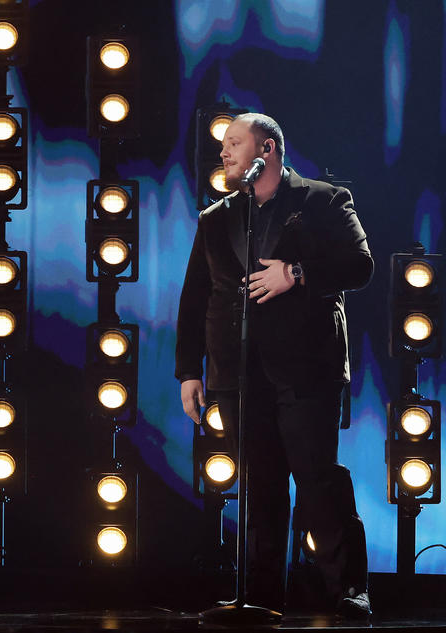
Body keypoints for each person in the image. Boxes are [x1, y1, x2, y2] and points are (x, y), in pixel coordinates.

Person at [175, 113, 371, 618]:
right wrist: (189, 372)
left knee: (316, 478)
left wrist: (297, 273)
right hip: (238, 372)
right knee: (259, 485)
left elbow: (360, 265)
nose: (223, 153)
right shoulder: (216, 218)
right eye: (222, 146)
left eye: (234, 143)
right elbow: (196, 296)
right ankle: (259, 597)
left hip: (307, 369)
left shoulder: (323, 200)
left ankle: (348, 592)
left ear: (268, 148)